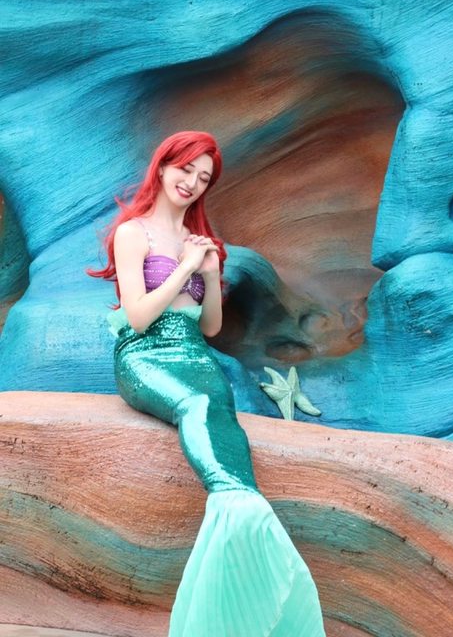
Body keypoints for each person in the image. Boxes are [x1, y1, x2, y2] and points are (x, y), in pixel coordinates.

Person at [92, 131, 326, 636]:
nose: (192, 183)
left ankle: (244, 535)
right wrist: (184, 267)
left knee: (218, 402)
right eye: (186, 170)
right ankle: (237, 506)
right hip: (145, 356)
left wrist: (212, 272)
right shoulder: (134, 233)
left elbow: (212, 327)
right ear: (163, 167)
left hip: (197, 354)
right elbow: (138, 316)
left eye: (204, 178)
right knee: (198, 404)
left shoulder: (199, 242)